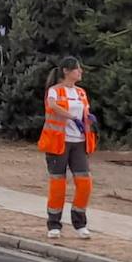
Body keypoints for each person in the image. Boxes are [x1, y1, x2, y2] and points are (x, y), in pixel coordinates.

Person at [38, 56, 98, 240]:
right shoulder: (54, 91)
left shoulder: (81, 93)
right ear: (66, 71)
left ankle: (79, 221)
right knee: (58, 184)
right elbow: (53, 107)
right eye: (77, 69)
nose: (80, 72)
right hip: (58, 143)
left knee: (85, 182)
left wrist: (89, 120)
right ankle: (54, 224)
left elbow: (84, 112)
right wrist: (72, 117)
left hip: (79, 142)